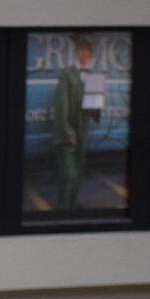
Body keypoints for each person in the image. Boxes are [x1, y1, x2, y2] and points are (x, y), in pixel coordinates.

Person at [51, 37, 93, 210]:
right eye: (81, 50)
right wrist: (68, 130)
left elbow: (93, 109)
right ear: (76, 53)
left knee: (78, 172)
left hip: (83, 131)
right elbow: (61, 104)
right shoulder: (67, 74)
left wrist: (101, 99)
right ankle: (63, 208)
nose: (84, 54)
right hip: (67, 132)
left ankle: (72, 205)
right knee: (69, 173)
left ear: (90, 56)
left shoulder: (93, 77)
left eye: (87, 51)